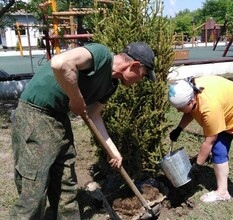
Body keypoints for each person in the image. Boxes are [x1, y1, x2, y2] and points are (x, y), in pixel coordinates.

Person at [10, 42, 156, 219]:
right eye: (143, 75)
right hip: (35, 114)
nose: (140, 81)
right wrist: (76, 97)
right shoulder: (101, 56)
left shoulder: (112, 85)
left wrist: (113, 152)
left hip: (60, 119)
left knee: (66, 188)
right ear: (134, 66)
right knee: (33, 192)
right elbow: (60, 63)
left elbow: (94, 116)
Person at [168, 76, 233, 220]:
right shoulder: (192, 90)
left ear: (192, 100)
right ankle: (222, 192)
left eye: (180, 108)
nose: (179, 111)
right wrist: (179, 129)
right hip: (225, 113)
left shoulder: (210, 107)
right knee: (218, 151)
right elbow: (190, 111)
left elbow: (208, 142)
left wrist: (197, 165)